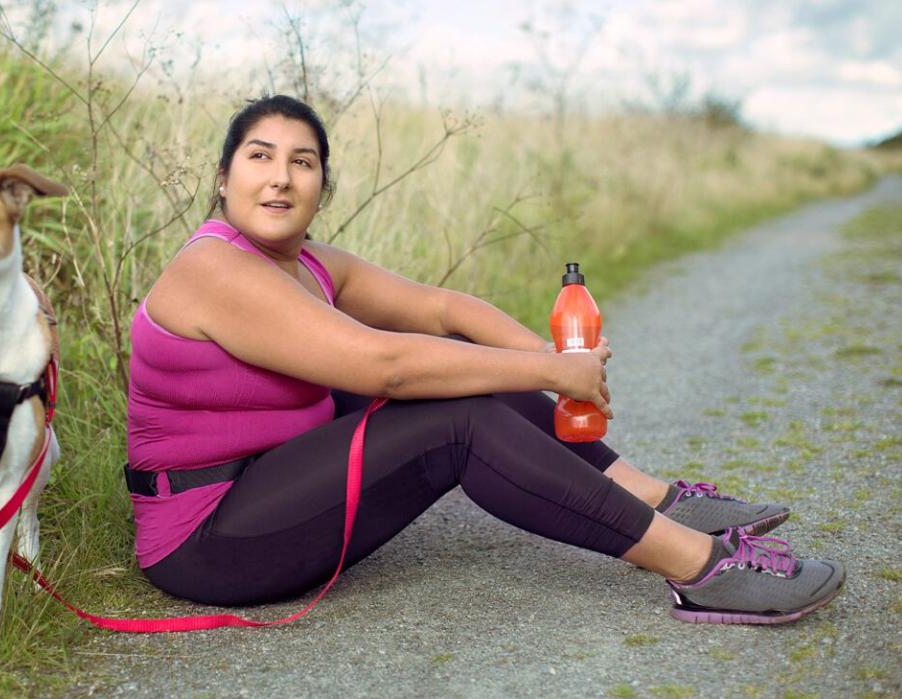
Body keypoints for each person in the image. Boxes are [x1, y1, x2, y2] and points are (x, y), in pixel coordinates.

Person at [124, 94, 844, 624]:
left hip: (268, 483)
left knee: (467, 363)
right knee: (455, 417)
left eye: (302, 162)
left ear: (321, 187)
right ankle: (701, 567)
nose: (280, 178)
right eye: (260, 157)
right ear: (223, 178)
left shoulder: (308, 262)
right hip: (206, 538)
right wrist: (549, 375)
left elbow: (442, 311)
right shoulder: (212, 270)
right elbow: (386, 368)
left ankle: (652, 494)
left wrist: (559, 360)